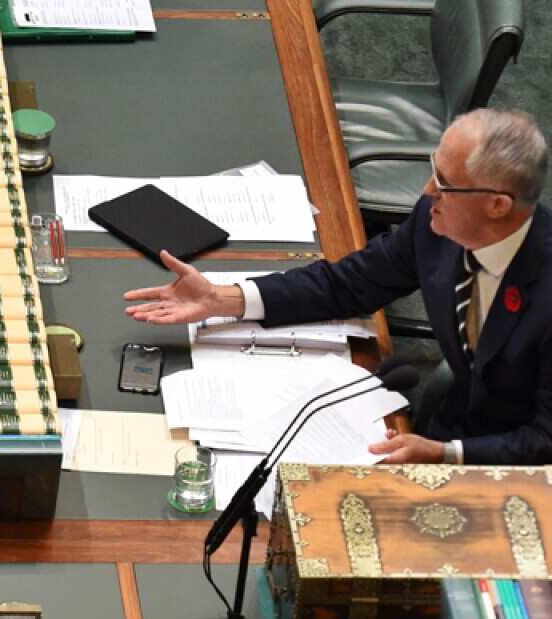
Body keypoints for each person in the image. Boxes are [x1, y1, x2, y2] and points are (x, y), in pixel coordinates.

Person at [124, 108, 551, 465]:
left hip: (515, 470)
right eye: (431, 171)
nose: (425, 191)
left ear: (498, 205)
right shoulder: (436, 220)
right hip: (451, 421)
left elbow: (544, 441)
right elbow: (350, 284)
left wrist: (447, 455)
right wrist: (223, 298)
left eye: (444, 183)